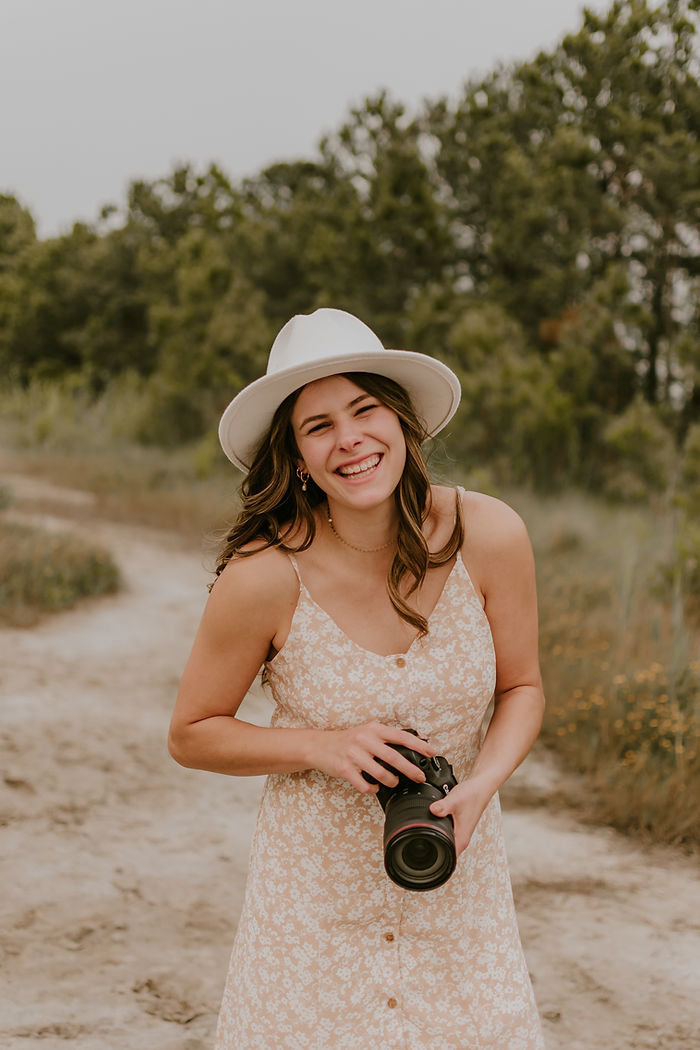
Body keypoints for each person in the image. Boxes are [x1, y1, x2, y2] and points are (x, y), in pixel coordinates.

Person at [168, 307, 546, 1049]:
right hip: (311, 920)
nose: (350, 440)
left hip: (457, 895)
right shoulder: (263, 576)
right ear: (296, 457)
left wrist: (481, 786)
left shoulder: (491, 534)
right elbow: (191, 732)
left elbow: (523, 688)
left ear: (401, 422)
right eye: (318, 426)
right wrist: (321, 746)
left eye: (365, 409)